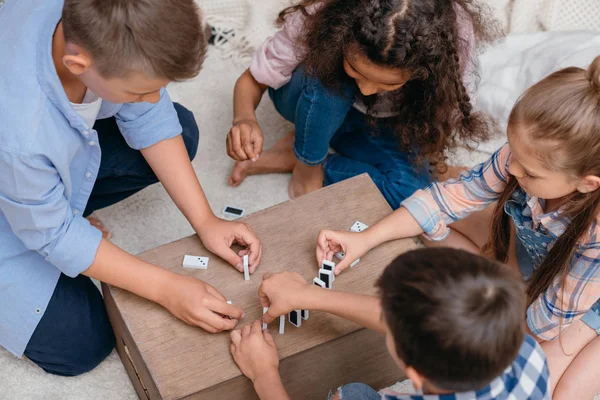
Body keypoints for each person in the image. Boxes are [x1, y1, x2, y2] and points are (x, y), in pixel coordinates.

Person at [0, 0, 262, 376]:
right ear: (79, 65)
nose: (152, 98)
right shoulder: (20, 136)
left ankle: (55, 198)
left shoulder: (96, 31)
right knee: (82, 344)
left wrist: (206, 221)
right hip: (12, 184)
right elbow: (53, 235)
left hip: (29, 173)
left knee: (180, 131)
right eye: (139, 91)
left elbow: (152, 114)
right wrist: (167, 288)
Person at [316, 58, 600, 399]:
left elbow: (549, 321)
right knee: (426, 217)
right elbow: (443, 201)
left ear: (586, 184)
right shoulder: (521, 160)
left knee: (553, 391)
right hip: (537, 253)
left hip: (583, 305)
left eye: (530, 171)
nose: (511, 167)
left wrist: (465, 335)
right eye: (512, 152)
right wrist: (364, 239)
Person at [225, 0, 497, 208]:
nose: (365, 89)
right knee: (331, 81)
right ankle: (307, 166)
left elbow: (445, 115)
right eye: (356, 70)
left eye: (389, 83)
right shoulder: (327, 10)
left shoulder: (451, 34)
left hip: (377, 121)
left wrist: (426, 158)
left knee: (412, 191)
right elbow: (252, 80)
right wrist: (244, 119)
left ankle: (303, 155)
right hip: (309, 97)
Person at [229, 248, 550, 400]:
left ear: (413, 372)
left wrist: (264, 375)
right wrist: (307, 295)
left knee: (350, 395)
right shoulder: (528, 351)